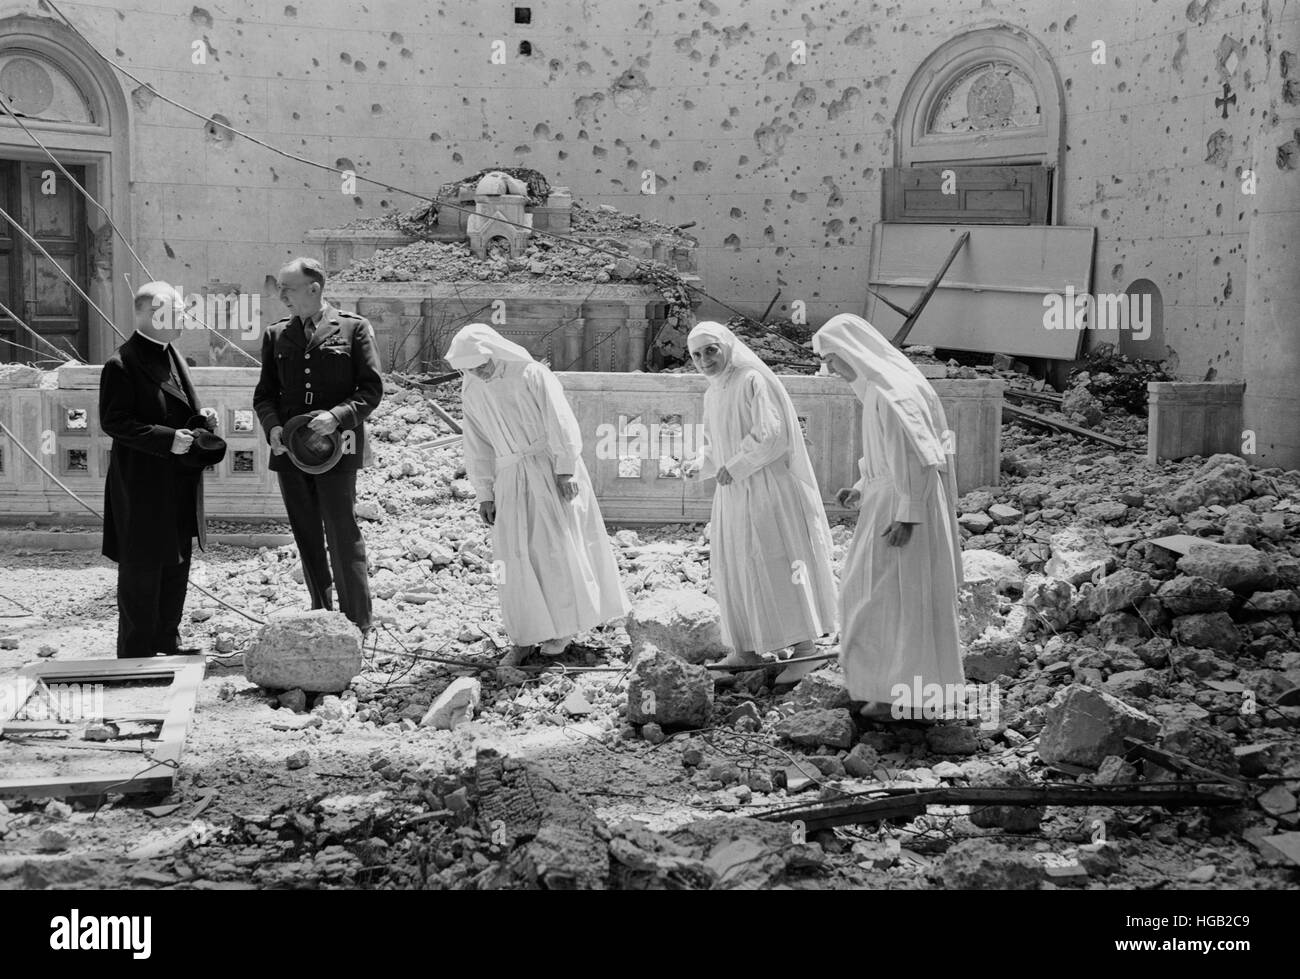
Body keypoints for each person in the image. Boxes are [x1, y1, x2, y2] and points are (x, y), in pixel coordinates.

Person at [445, 323, 629, 661]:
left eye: (481, 364)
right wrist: (484, 491)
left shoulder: (530, 373)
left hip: (547, 470)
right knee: (514, 555)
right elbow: (476, 443)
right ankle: (527, 630)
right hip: (510, 475)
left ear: (493, 351)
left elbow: (560, 421)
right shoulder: (472, 389)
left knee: (555, 547)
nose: (478, 372)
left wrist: (565, 468)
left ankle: (563, 627)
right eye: (469, 368)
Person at [812, 313, 964, 720]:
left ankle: (902, 695)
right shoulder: (883, 388)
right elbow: (890, 457)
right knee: (883, 597)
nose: (828, 368)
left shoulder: (892, 392)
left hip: (902, 508)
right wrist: (862, 486)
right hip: (892, 500)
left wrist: (908, 515)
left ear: (851, 351)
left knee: (888, 597)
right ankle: (890, 690)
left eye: (831, 358)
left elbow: (918, 459)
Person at [682, 322, 837, 683]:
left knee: (776, 559)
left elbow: (771, 434)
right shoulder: (713, 392)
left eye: (711, 350)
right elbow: (713, 444)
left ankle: (805, 649)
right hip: (734, 493)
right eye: (697, 354)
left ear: (727, 347)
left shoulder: (753, 380)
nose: (704, 360)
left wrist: (734, 466)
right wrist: (699, 464)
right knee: (736, 564)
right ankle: (746, 648)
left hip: (766, 489)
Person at [253, 257, 383, 633]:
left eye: (288, 289)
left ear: (314, 289)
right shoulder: (276, 335)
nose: (282, 296)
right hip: (292, 451)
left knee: (343, 534)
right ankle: (321, 615)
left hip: (336, 450)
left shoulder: (353, 329)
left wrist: (338, 416)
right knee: (306, 533)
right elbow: (265, 395)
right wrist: (273, 427)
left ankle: (357, 622)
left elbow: (371, 390)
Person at [100, 283, 218, 657]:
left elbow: (174, 406)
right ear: (154, 314)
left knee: (176, 563)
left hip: (178, 480)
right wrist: (167, 438)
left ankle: (168, 639)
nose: (185, 318)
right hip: (142, 484)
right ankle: (136, 651)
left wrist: (202, 419)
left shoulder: (172, 354)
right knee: (143, 568)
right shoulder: (122, 363)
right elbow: (115, 422)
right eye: (178, 311)